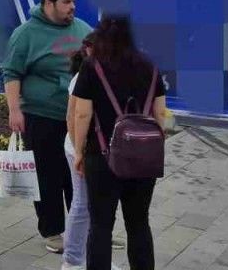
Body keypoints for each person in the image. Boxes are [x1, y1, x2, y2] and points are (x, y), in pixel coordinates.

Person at [1, 0, 92, 254]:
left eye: (74, 1)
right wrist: (14, 110)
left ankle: (84, 230)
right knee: (47, 176)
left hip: (77, 118)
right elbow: (11, 72)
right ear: (49, 3)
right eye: (67, 2)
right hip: (41, 116)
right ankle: (52, 231)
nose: (73, 7)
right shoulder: (26, 34)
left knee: (79, 175)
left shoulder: (83, 30)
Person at [71, 15, 167, 270]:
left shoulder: (92, 66)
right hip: (143, 158)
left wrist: (78, 151)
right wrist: (154, 144)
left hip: (101, 156)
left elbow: (82, 114)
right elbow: (160, 113)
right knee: (139, 222)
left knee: (100, 225)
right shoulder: (150, 65)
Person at [61, 35, 120, 270]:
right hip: (80, 148)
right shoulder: (82, 77)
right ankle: (72, 260)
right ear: (89, 50)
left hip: (96, 150)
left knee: (96, 207)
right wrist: (80, 152)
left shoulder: (107, 74)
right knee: (83, 203)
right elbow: (73, 117)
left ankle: (93, 257)